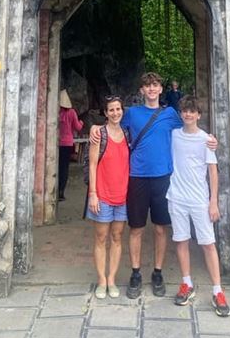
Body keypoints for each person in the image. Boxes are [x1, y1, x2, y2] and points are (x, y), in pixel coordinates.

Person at [90, 71, 216, 299]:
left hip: (163, 178)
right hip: (137, 177)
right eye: (147, 85)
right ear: (142, 90)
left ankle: (157, 272)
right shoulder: (132, 114)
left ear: (160, 89)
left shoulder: (170, 114)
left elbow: (190, 127)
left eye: (155, 85)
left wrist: (210, 140)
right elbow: (113, 125)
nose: (151, 89)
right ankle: (136, 272)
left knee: (160, 228)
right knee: (136, 228)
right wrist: (94, 128)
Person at [167, 95, 230, 317]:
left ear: (199, 115)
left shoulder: (206, 140)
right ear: (181, 113)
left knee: (208, 243)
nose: (188, 114)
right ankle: (186, 282)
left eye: (192, 111)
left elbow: (213, 172)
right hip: (176, 196)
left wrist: (213, 202)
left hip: (199, 199)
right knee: (181, 240)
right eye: (185, 111)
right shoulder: (174, 135)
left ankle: (217, 290)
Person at [86, 96, 130, 298]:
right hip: (102, 194)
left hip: (123, 195)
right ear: (105, 113)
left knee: (117, 237)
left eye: (118, 109)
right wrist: (93, 194)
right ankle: (101, 280)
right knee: (101, 237)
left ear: (122, 111)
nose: (115, 113)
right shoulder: (99, 134)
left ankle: (111, 278)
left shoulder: (127, 134)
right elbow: (92, 164)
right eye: (111, 110)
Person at [58, 89, 83, 201]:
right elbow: (78, 127)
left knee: (57, 167)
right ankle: (61, 192)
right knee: (64, 168)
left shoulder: (57, 112)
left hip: (57, 143)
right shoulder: (72, 112)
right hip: (67, 143)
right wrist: (81, 122)